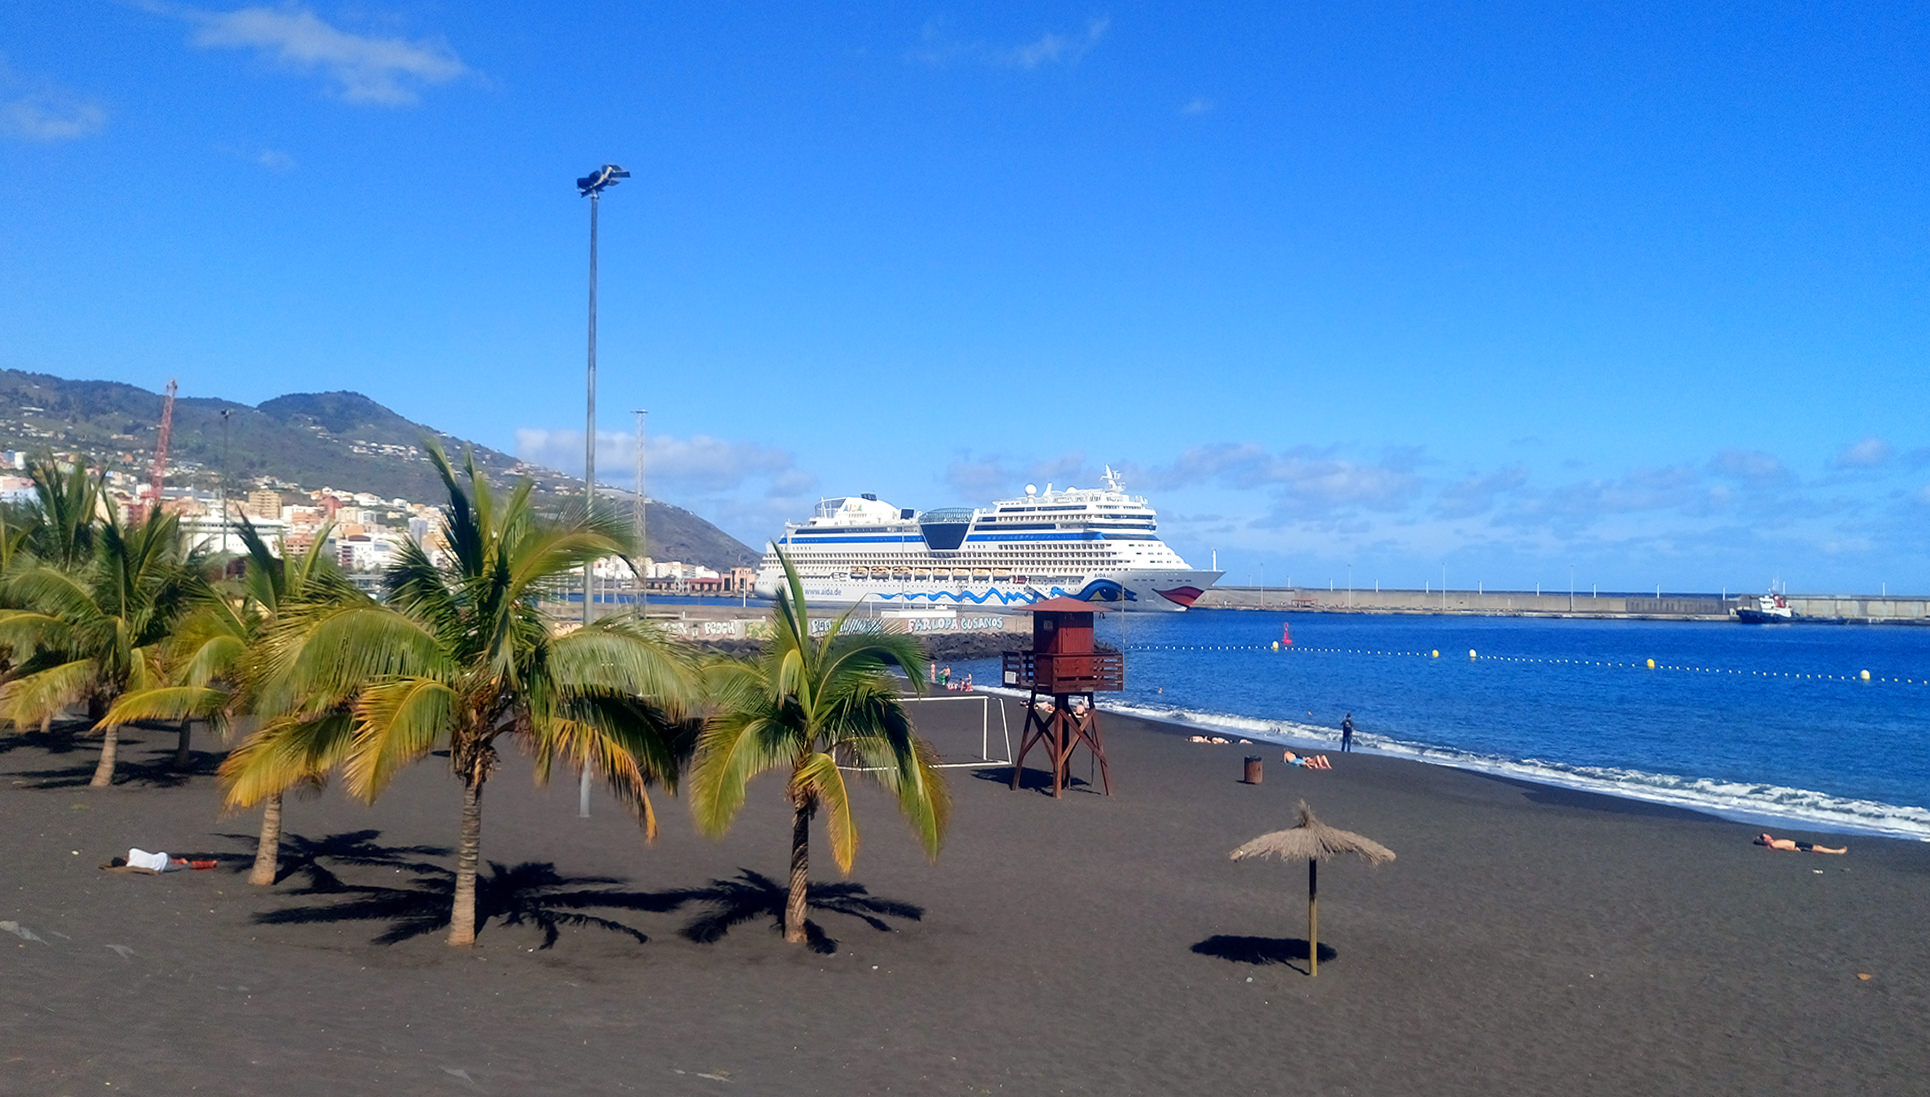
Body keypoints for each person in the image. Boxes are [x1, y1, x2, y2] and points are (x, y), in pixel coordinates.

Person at [1756, 832, 1847, 854]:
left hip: (1797, 843)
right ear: (1765, 839)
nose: (1769, 835)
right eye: (1766, 835)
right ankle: (1837, 851)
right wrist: (1795, 849)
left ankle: (1836, 851)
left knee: (1817, 847)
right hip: (1797, 846)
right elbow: (1785, 847)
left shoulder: (1774, 841)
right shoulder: (1774, 844)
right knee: (1817, 848)